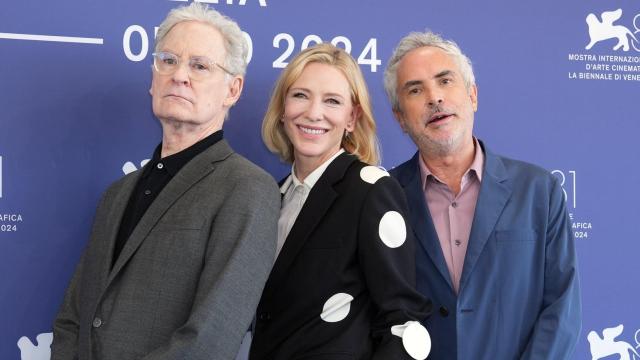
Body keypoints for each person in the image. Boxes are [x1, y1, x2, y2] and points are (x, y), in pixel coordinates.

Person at [51, 3, 280, 359]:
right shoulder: (116, 195)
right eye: (168, 60)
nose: (179, 75)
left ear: (232, 90)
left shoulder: (247, 189)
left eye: (200, 66)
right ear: (153, 78)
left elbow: (210, 340)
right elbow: (73, 319)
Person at [384, 31, 581, 359]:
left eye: (445, 81)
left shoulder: (539, 191)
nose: (435, 98)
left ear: (473, 95)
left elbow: (561, 309)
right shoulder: (383, 196)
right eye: (415, 90)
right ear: (400, 118)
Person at [249, 43, 432, 360]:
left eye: (331, 101)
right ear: (282, 109)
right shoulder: (271, 197)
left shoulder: (372, 192)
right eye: (300, 95)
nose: (313, 112)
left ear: (352, 117)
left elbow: (403, 325)